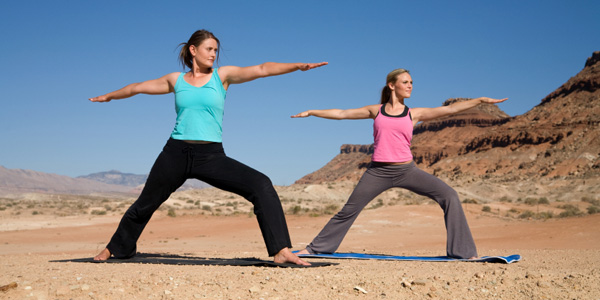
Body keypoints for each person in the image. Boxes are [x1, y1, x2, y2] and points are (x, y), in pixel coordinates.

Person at [89, 29, 327, 265]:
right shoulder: (176, 80)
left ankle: (281, 250)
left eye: (216, 50)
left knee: (261, 185)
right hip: (175, 153)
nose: (214, 54)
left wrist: (297, 66)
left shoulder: (222, 76)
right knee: (146, 203)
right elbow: (137, 87)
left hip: (210, 156)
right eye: (209, 49)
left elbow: (262, 69)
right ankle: (116, 248)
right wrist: (110, 96)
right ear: (193, 50)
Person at [291, 68, 507, 259]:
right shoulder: (376, 110)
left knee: (449, 195)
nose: (410, 85)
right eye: (406, 82)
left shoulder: (414, 114)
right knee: (349, 210)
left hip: (407, 170)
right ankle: (316, 249)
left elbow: (450, 111)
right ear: (392, 85)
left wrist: (479, 100)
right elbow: (341, 114)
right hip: (378, 172)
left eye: (412, 82)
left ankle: (464, 252)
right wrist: (312, 112)